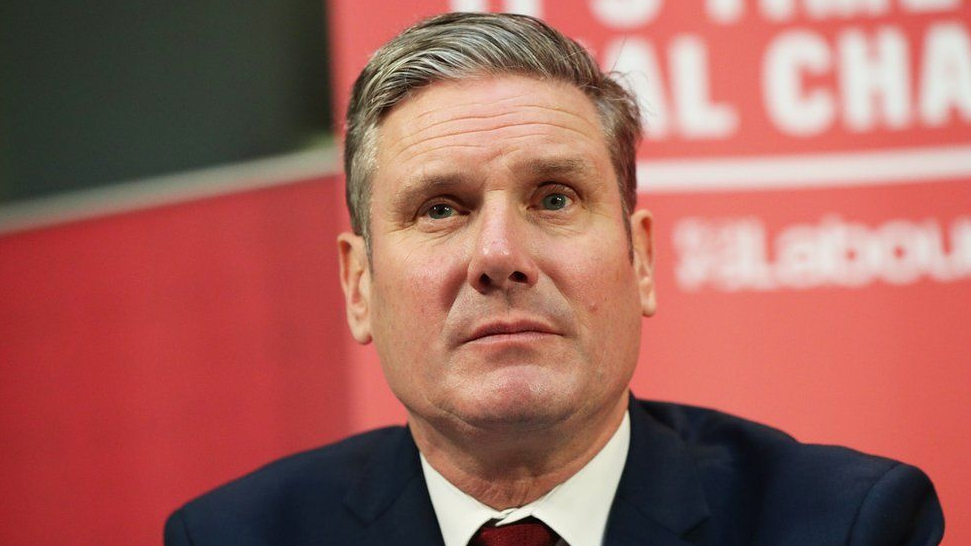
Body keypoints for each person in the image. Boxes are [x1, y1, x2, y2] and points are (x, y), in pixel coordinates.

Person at [164, 12, 944, 546]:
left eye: (555, 198)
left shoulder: (846, 524)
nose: (500, 254)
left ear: (639, 259)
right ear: (358, 284)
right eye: (440, 208)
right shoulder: (237, 536)